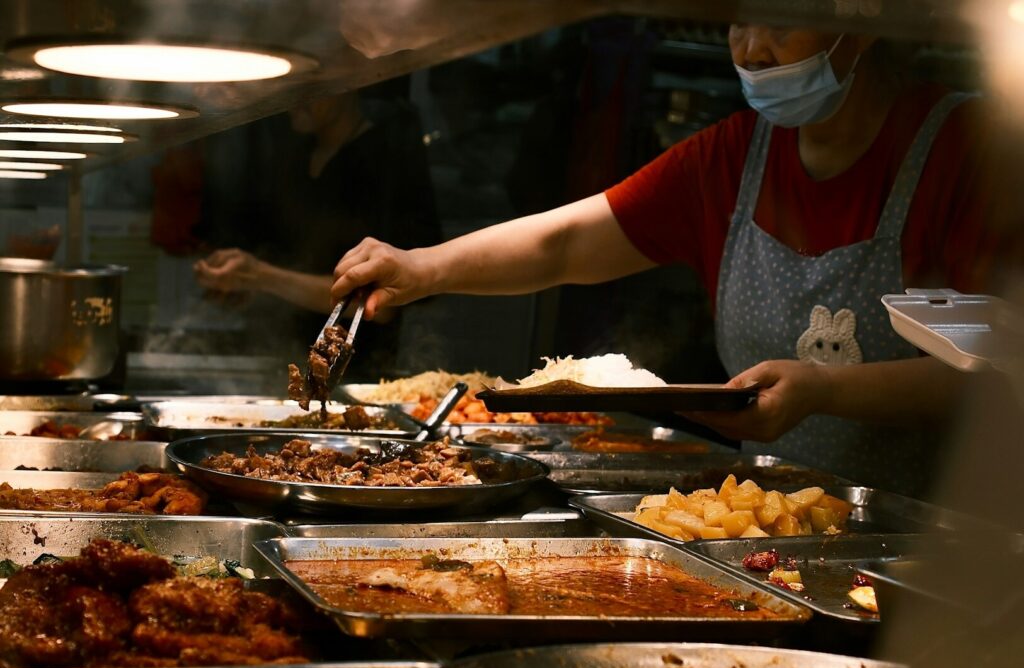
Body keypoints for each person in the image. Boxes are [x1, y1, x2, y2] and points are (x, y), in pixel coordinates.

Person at [329, 25, 1022, 495]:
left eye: (779, 18)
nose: (749, 48)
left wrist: (824, 388)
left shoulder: (971, 153)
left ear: (864, 23)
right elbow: (568, 242)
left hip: (942, 556)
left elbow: (998, 378)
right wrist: (423, 267)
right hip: (773, 532)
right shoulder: (735, 157)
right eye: (736, 21)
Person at [190, 89, 440, 378]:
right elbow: (283, 266)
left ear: (348, 85)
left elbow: (382, 305)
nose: (294, 100)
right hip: (280, 360)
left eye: (310, 88)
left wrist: (260, 275)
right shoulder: (293, 159)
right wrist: (239, 284)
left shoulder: (383, 160)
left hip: (358, 375)